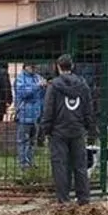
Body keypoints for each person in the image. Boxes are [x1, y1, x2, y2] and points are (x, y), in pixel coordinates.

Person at [38, 54, 96, 205]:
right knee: (80, 166)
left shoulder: (54, 86)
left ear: (58, 67)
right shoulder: (83, 85)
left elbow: (48, 110)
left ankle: (64, 200)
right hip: (77, 130)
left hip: (58, 132)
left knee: (60, 166)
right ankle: (83, 199)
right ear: (73, 67)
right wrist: (91, 129)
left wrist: (45, 130)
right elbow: (88, 109)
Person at [14, 63, 47, 169]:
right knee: (23, 141)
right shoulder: (20, 79)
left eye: (35, 66)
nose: (34, 68)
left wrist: (45, 87)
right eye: (31, 66)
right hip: (24, 114)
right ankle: (23, 163)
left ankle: (30, 161)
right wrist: (38, 86)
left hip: (36, 115)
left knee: (33, 141)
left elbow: (42, 96)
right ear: (25, 67)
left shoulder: (38, 77)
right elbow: (23, 93)